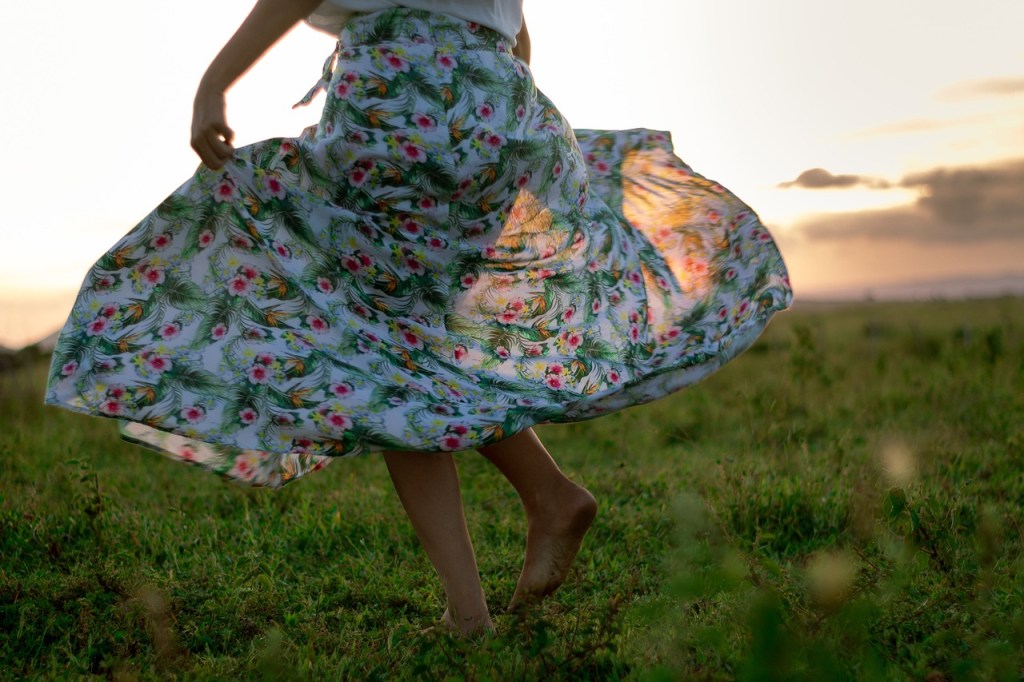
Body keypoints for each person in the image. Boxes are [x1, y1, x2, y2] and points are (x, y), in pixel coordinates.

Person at [45, 0, 792, 636]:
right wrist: (497, 128)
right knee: (411, 352)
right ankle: (543, 505)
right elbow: (518, 36)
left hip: (399, 102)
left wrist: (212, 88)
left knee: (386, 358)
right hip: (501, 110)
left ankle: (482, 593)